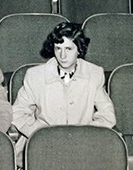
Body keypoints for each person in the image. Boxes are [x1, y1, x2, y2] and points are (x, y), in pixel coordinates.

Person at [11, 21, 116, 167]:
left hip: (82, 147)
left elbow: (107, 116)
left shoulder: (94, 74)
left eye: (68, 49)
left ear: (79, 50)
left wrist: (83, 134)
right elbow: (18, 113)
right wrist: (41, 133)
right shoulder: (35, 75)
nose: (62, 55)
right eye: (58, 48)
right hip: (44, 146)